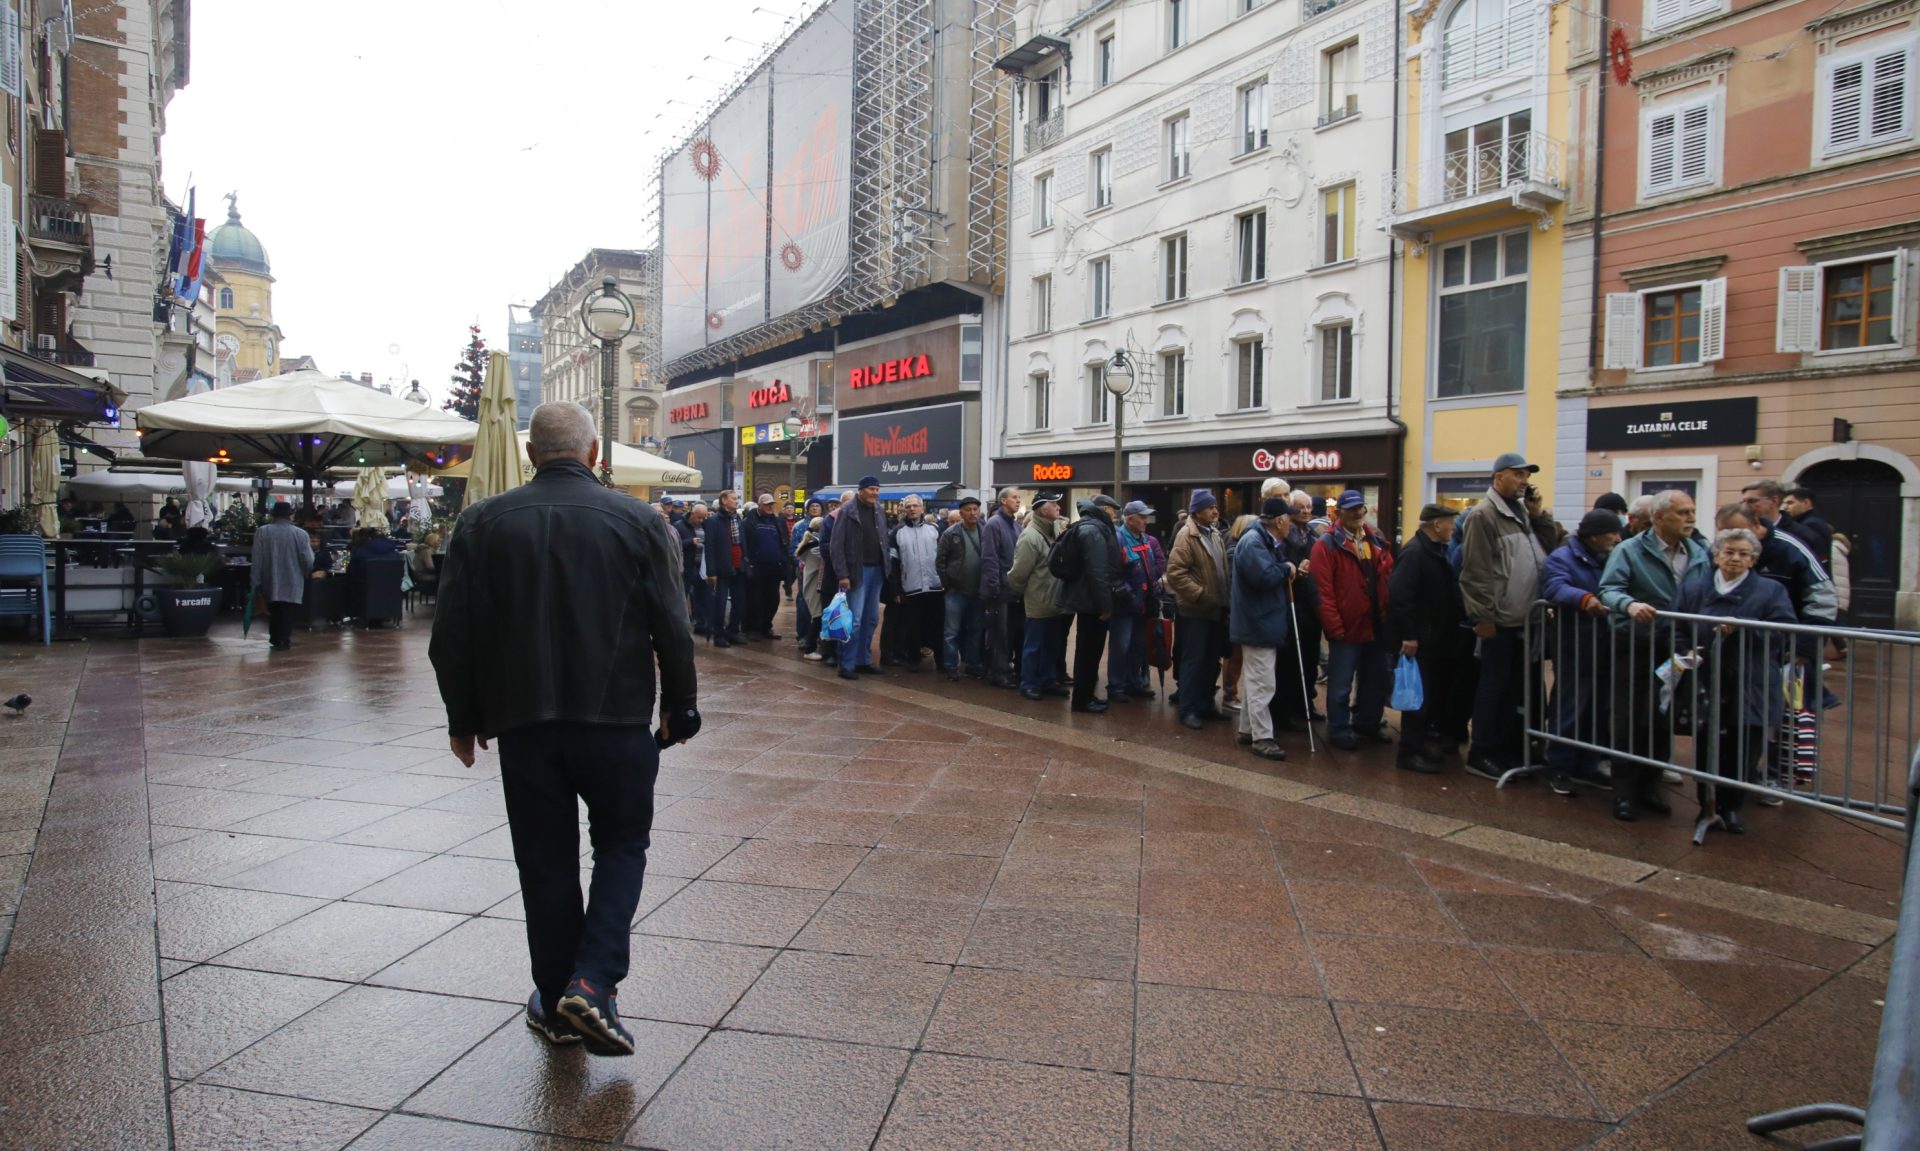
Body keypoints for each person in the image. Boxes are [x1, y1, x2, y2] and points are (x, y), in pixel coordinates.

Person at [430, 401, 698, 1057]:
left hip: (524, 722)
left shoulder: (481, 522)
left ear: (530, 455)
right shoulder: (639, 520)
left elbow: (451, 634)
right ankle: (594, 978)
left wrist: (463, 718)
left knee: (545, 861)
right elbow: (674, 623)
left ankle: (555, 1000)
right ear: (595, 455)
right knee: (622, 844)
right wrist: (680, 705)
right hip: (616, 718)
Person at [1671, 528, 1798, 836]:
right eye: (1729, 552)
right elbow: (1677, 626)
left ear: (1753, 560)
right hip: (1707, 679)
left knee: (1745, 747)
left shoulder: (1770, 591)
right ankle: (1707, 804)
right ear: (1716, 555)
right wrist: (1685, 650)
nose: (1735, 559)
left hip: (1750, 680)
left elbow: (1784, 628)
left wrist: (1744, 628)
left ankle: (1731, 807)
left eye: (1744, 554)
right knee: (1707, 745)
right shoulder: (1694, 588)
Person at [1598, 489, 1705, 822]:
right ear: (1659, 518)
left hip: (1675, 648)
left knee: (1662, 717)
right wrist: (1629, 605)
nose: (1690, 518)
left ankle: (1651, 785)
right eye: (1683, 513)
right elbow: (1609, 589)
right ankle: (1625, 792)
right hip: (1636, 643)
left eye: (1692, 512)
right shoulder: (1629, 550)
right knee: (1629, 717)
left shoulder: (1699, 553)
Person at [1457, 452, 1553, 780]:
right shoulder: (1484, 515)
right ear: (1499, 477)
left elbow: (1550, 548)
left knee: (1517, 688)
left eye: (1527, 475)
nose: (1524, 481)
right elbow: (1476, 572)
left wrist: (1539, 515)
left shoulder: (1524, 513)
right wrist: (1482, 616)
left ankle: (1510, 746)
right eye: (1518, 475)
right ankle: (1481, 750)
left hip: (1525, 617)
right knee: (1493, 687)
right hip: (1500, 619)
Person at [1539, 510, 1623, 794]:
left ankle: (1589, 764)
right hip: (1575, 644)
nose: (1617, 537)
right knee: (1570, 706)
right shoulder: (1563, 557)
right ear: (1595, 536)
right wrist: (1583, 599)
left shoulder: (1612, 556)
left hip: (1605, 643)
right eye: (1612, 532)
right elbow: (1554, 586)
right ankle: (1560, 766)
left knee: (1598, 708)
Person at [1387, 504, 1471, 774]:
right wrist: (1409, 635)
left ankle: (1421, 745)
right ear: (1437, 525)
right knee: (1417, 700)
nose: (1453, 528)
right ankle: (1409, 752)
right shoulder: (1415, 553)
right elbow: (1399, 597)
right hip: (1421, 639)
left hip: (1436, 638)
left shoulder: (1435, 551)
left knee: (1429, 696)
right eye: (1450, 522)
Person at [1312, 490, 1394, 751]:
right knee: (1340, 685)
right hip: (1347, 628)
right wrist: (1335, 627)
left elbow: (1387, 577)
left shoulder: (1375, 540)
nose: (1358, 513)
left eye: (1361, 508)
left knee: (1375, 680)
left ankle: (1367, 724)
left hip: (1375, 625)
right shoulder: (1326, 545)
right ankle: (1339, 729)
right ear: (1339, 513)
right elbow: (1322, 591)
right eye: (1351, 509)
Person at [1230, 498, 1295, 761]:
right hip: (1258, 621)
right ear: (1279, 521)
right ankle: (1262, 738)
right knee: (1263, 682)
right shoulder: (1254, 542)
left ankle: (1248, 730)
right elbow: (1264, 577)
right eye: (1288, 519)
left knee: (1256, 679)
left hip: (1260, 620)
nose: (1290, 523)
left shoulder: (1262, 540)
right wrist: (1286, 568)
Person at [1167, 491, 1231, 730]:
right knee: (1193, 661)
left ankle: (1205, 704)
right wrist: (1201, 594)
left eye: (1216, 506)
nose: (1215, 511)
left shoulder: (1213, 533)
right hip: (1195, 611)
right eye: (1210, 507)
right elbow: (1175, 573)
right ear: (1197, 511)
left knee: (1210, 662)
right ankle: (1188, 708)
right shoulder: (1187, 535)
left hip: (1215, 610)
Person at [1055, 494, 1125, 714]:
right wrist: (1105, 605)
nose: (1115, 516)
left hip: (1088, 598)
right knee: (1088, 651)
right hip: (1091, 601)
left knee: (1090, 651)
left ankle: (1086, 696)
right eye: (1113, 511)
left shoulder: (1091, 527)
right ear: (1104, 509)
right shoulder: (1093, 530)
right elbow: (1097, 572)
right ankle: (1082, 700)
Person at [1009, 493, 1070, 701]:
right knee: (1033, 646)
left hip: (1055, 600)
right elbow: (1019, 573)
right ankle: (1029, 683)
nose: (1059, 507)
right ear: (1043, 510)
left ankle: (1048, 680)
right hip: (1039, 600)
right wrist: (1027, 592)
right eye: (1054, 504)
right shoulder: (1030, 536)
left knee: (1052, 644)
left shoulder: (1053, 529)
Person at [829, 476, 891, 680]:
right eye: (872, 489)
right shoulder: (847, 511)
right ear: (861, 490)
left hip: (877, 570)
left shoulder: (879, 510)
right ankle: (846, 663)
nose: (875, 493)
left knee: (871, 618)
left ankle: (863, 660)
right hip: (857, 571)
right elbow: (836, 545)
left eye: (877, 489)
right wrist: (843, 574)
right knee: (854, 620)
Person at [1278, 491, 1323, 728]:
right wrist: (1296, 567)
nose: (1306, 511)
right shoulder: (1285, 534)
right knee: (1289, 661)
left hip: (1310, 604)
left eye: (1309, 506)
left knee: (1309, 657)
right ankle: (1288, 709)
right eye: (1301, 507)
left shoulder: (1314, 535)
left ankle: (1307, 702)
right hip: (1291, 601)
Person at [1112, 500, 1163, 702]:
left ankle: (1134, 683)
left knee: (1138, 646)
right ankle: (1116, 686)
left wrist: (1154, 590)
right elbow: (1114, 574)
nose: (1145, 521)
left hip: (1144, 603)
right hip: (1125, 605)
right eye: (1142, 517)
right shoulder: (1119, 539)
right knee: (1121, 646)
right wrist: (1129, 596)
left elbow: (1151, 568)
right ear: (1130, 519)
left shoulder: (1145, 539)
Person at [886, 495, 943, 670]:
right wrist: (895, 590)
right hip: (911, 587)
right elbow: (893, 565)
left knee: (937, 625)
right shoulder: (897, 532)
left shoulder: (935, 530)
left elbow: (943, 558)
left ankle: (941, 661)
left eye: (915, 506)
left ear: (922, 508)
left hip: (935, 586)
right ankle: (913, 659)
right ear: (904, 509)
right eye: (908, 506)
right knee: (912, 626)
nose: (912, 509)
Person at [936, 495, 987, 681]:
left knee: (975, 630)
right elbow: (940, 561)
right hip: (956, 591)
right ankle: (950, 666)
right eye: (968, 510)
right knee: (951, 632)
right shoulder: (951, 533)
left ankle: (972, 664)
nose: (972, 513)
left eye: (975, 509)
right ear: (961, 512)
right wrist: (948, 584)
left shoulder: (985, 530)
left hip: (978, 591)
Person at [251, 503, 313, 652]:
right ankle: (283, 638)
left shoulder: (262, 532)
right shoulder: (300, 534)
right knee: (288, 610)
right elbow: (308, 559)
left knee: (274, 609)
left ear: (273, 515)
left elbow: (257, 558)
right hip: (293, 577)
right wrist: (306, 573)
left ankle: (275, 637)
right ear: (290, 515)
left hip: (269, 578)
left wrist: (255, 581)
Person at [979, 487, 1025, 689]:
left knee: (1011, 633)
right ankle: (998, 672)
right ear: (1003, 500)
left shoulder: (1015, 526)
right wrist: (993, 588)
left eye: (1018, 498)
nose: (1018, 501)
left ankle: (1005, 669)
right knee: (1000, 634)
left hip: (1014, 590)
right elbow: (990, 558)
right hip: (1000, 590)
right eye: (1014, 497)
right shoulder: (994, 524)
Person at [742, 493, 789, 640]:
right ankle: (753, 628)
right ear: (760, 505)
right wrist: (748, 563)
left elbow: (783, 541)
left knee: (773, 599)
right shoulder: (749, 521)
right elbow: (745, 544)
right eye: (767, 504)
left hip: (774, 566)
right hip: (756, 566)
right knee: (755, 599)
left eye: (771, 504)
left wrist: (783, 560)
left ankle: (766, 626)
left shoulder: (776, 521)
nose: (770, 507)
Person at [702, 490, 746, 647]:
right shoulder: (714, 521)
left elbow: (741, 542)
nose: (736, 501)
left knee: (739, 602)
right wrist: (711, 571)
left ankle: (733, 631)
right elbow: (710, 547)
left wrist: (745, 560)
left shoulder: (737, 518)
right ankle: (718, 635)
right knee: (719, 604)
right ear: (724, 500)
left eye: (736, 498)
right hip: (722, 568)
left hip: (739, 566)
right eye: (733, 499)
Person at [1782, 487, 1834, 573]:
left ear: (1806, 503)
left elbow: (1818, 555)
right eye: (1784, 503)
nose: (1785, 507)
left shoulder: (1811, 524)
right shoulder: (1808, 521)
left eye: (1790, 503)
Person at [676, 502, 709, 634]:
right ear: (692, 514)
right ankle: (680, 624)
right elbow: (674, 544)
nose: (701, 520)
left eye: (703, 517)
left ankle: (701, 623)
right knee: (682, 595)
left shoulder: (706, 525)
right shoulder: (679, 526)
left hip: (702, 567)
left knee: (702, 596)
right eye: (699, 517)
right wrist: (690, 542)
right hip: (686, 567)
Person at [796, 517, 825, 661]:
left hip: (812, 585)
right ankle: (810, 648)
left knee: (818, 616)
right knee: (817, 616)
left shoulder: (809, 543)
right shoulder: (816, 547)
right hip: (814, 586)